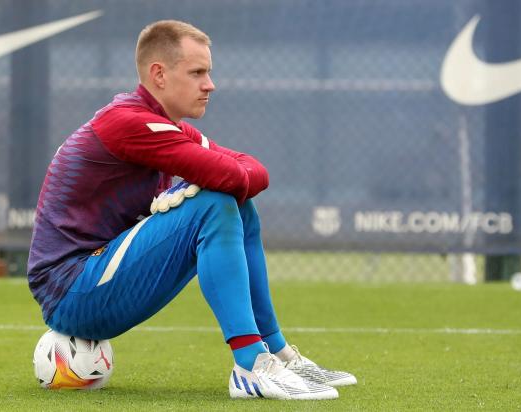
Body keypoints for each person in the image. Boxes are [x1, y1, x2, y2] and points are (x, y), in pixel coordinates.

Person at [27, 19, 356, 400]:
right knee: (214, 202)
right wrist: (224, 180)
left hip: (97, 276)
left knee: (238, 206)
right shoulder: (128, 123)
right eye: (197, 72)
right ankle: (250, 365)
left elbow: (252, 173)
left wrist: (229, 179)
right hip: (71, 292)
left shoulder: (163, 126)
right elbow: (232, 174)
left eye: (209, 72)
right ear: (159, 74)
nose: (209, 84)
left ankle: (276, 354)